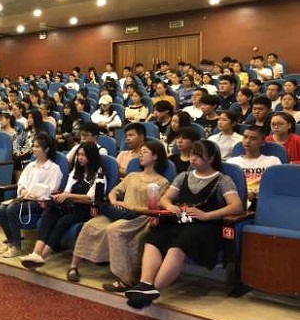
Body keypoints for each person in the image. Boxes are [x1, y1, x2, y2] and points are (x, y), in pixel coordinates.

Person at [125, 140, 244, 308]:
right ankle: (145, 284)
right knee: (153, 238)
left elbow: (236, 205)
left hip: (205, 225)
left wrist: (207, 215)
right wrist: (170, 206)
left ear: (211, 158)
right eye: (192, 155)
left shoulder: (222, 180)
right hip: (181, 220)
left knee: (178, 245)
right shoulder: (184, 176)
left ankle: (153, 289)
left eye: (198, 156)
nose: (192, 159)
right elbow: (165, 198)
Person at [68, 140, 171, 291]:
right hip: (121, 213)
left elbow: (156, 208)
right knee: (91, 225)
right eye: (140, 152)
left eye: (144, 152)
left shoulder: (162, 182)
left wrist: (132, 207)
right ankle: (73, 266)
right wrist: (115, 201)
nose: (140, 155)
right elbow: (114, 192)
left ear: (155, 156)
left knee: (114, 230)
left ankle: (125, 278)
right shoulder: (133, 176)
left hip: (140, 218)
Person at [20, 142, 103, 270]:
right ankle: (36, 252)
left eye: (83, 155)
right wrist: (59, 197)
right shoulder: (76, 172)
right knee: (50, 210)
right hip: (70, 205)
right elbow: (67, 190)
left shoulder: (99, 175)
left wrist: (68, 196)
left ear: (91, 157)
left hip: (85, 209)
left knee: (62, 221)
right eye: (78, 155)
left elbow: (91, 198)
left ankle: (42, 256)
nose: (80, 158)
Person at [0, 134, 63, 258]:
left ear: (46, 149)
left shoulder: (54, 168)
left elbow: (52, 190)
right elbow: (22, 182)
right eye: (33, 146)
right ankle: (11, 242)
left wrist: (35, 195)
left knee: (12, 209)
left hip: (40, 203)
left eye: (37, 147)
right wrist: (23, 190)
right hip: (24, 199)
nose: (33, 149)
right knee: (0, 210)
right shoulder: (31, 165)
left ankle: (17, 247)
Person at [227, 126, 281, 209]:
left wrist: (255, 194)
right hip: (237, 199)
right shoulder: (232, 162)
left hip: (262, 200)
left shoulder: (273, 161)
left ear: (262, 142)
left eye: (253, 139)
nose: (247, 141)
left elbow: (276, 185)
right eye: (245, 137)